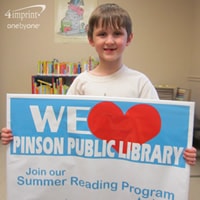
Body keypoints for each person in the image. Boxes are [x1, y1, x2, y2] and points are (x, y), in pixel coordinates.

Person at [1, 3, 197, 165]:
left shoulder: (140, 83)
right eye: (102, 34)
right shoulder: (81, 82)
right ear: (90, 39)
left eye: (117, 34)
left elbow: (158, 131)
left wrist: (182, 150)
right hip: (88, 171)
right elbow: (60, 128)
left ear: (129, 38)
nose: (109, 41)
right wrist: (18, 135)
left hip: (128, 170)